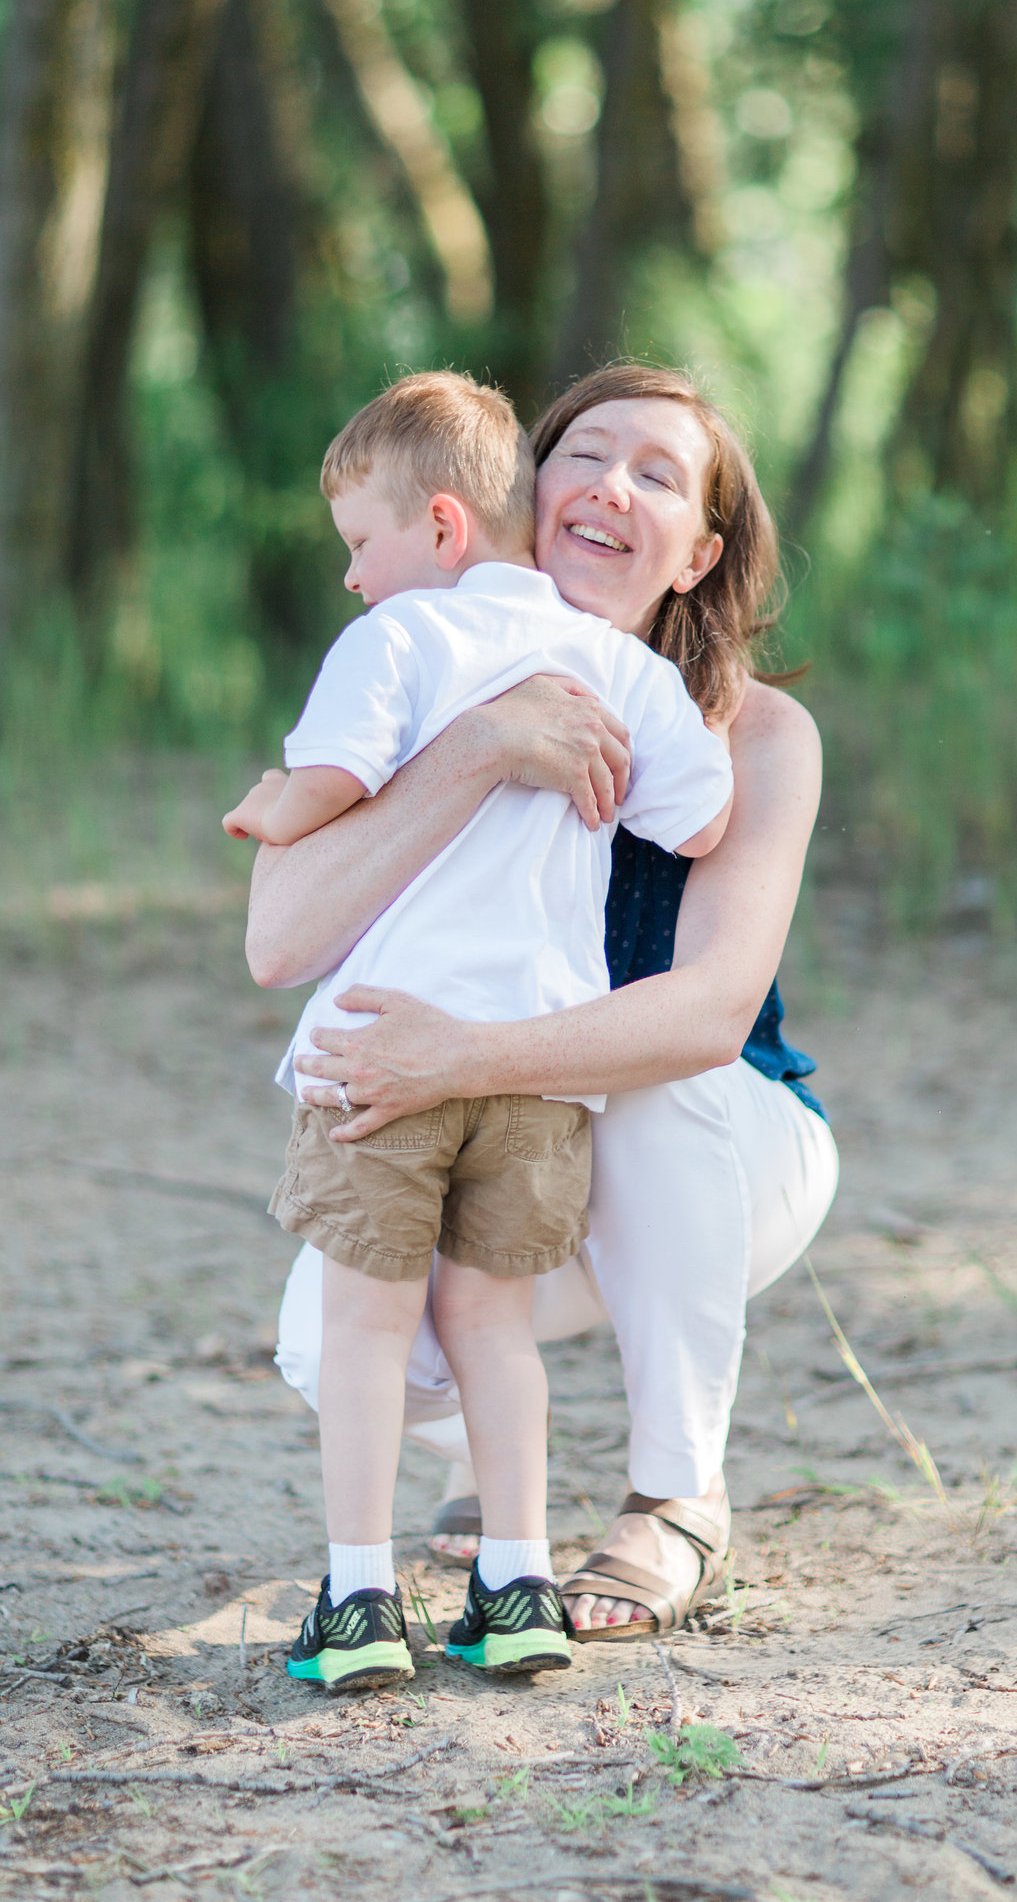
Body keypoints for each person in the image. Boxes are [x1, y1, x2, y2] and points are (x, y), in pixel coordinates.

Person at [251, 364, 838, 1639]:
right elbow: (280, 934)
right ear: (526, 490)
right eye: (586, 452)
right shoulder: (414, 655)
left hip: (724, 1143)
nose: (611, 486)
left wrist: (459, 1055)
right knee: (326, 1332)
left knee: (647, 1084)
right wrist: (484, 744)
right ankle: (497, 1477)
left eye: (659, 475)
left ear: (696, 553)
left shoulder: (755, 734)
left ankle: (676, 1498)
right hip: (492, 1125)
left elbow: (706, 1018)